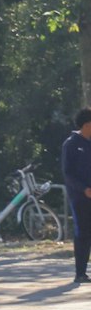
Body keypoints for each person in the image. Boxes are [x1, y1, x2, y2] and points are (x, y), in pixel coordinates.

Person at [63, 108, 91, 285]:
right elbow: (67, 174)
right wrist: (84, 189)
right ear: (87, 125)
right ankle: (80, 272)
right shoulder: (71, 144)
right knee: (83, 233)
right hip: (80, 197)